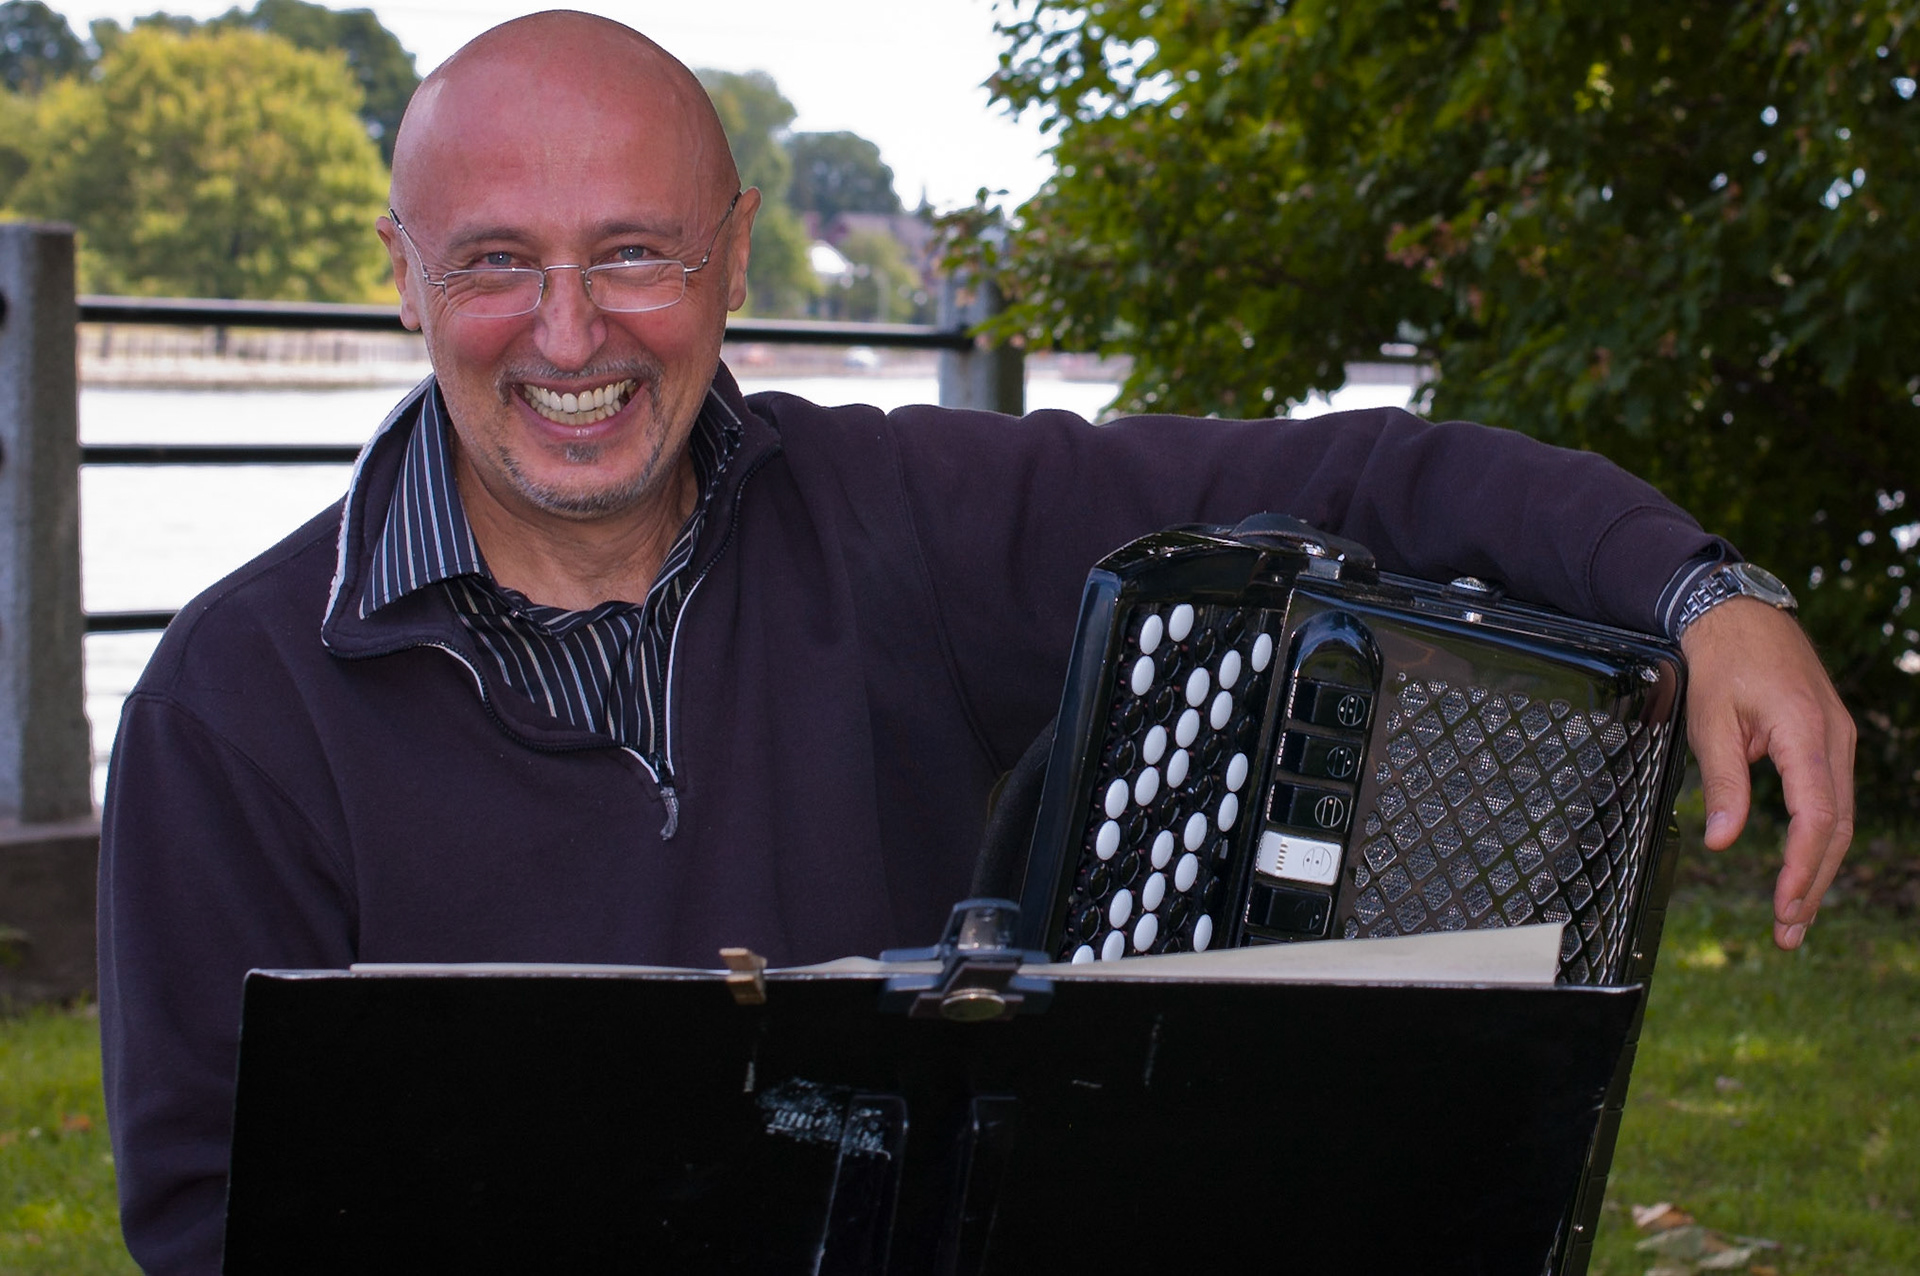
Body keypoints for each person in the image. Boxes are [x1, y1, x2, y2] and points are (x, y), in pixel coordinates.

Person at [96, 11, 1856, 1273]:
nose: (572, 331)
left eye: (633, 250)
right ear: (402, 274)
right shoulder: (231, 708)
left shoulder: (897, 518)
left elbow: (1370, 469)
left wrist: (1701, 593)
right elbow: (210, 1219)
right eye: (496, 261)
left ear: (725, 257)